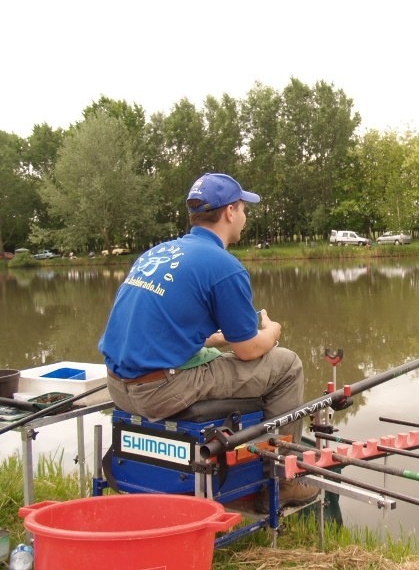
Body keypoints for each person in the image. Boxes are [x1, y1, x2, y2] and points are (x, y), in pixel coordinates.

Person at [98, 172, 319, 512]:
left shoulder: (157, 253)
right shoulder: (224, 266)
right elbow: (248, 351)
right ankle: (281, 478)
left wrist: (221, 340)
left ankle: (249, 459)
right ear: (230, 212)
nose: (244, 217)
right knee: (287, 364)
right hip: (162, 393)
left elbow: (172, 328)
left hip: (118, 388)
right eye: (243, 208)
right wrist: (271, 332)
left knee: (215, 350)